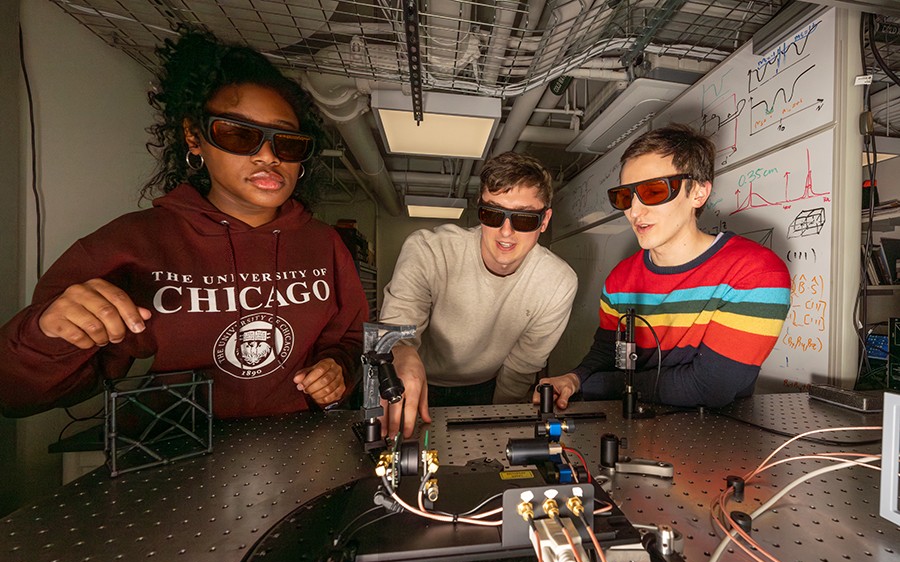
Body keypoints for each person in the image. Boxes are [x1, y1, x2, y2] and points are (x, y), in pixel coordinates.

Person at [0, 29, 368, 418]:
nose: (267, 155)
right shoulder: (130, 244)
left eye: (287, 142)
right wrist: (47, 336)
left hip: (297, 452)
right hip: (173, 461)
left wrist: (338, 368)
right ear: (195, 137)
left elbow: (350, 338)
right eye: (239, 134)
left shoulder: (323, 243)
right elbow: (15, 394)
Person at [536, 124, 790, 410]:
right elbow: (608, 352)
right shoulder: (620, 279)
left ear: (698, 192)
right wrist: (574, 379)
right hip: (628, 431)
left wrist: (595, 386)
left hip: (711, 438)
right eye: (625, 197)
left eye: (654, 191)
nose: (634, 211)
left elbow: (707, 387)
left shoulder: (756, 272)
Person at [379, 152, 578, 436]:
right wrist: (400, 350)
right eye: (493, 214)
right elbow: (393, 331)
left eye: (523, 219)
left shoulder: (558, 282)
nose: (506, 232)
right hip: (415, 381)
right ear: (480, 211)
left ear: (544, 220)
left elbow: (520, 369)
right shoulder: (429, 249)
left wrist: (499, 426)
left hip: (488, 387)